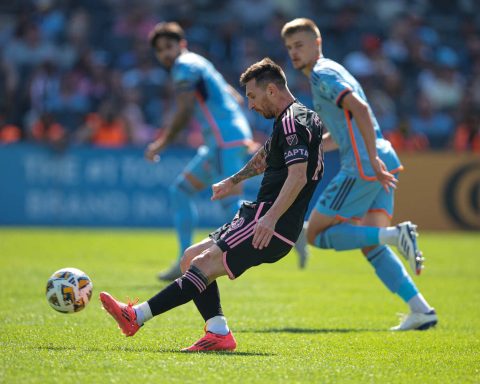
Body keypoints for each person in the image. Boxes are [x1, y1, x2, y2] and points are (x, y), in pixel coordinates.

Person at [100, 57, 325, 351]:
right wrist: (232, 181)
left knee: (201, 265)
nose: (251, 106)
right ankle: (218, 332)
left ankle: (135, 316)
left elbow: (297, 177)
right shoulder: (296, 117)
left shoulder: (291, 122)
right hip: (263, 216)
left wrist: (269, 219)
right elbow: (266, 157)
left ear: (271, 90)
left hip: (272, 222)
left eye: (253, 97)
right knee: (190, 259)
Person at [281, 18, 437, 331]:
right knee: (370, 244)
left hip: (365, 165)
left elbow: (362, 111)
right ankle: (421, 310)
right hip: (380, 158)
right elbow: (343, 130)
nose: (294, 53)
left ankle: (397, 235)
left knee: (316, 235)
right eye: (289, 48)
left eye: (299, 45)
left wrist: (372, 160)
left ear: (317, 43)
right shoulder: (331, 72)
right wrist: (313, 152)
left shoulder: (323, 74)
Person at [144, 22, 255, 281]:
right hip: (224, 139)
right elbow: (234, 96)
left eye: (169, 47)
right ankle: (186, 258)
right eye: (160, 50)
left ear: (182, 45)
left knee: (232, 205)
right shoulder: (199, 63)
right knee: (181, 191)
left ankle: (288, 234)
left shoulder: (184, 67)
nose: (166, 54)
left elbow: (183, 110)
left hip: (222, 140)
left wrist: (161, 143)